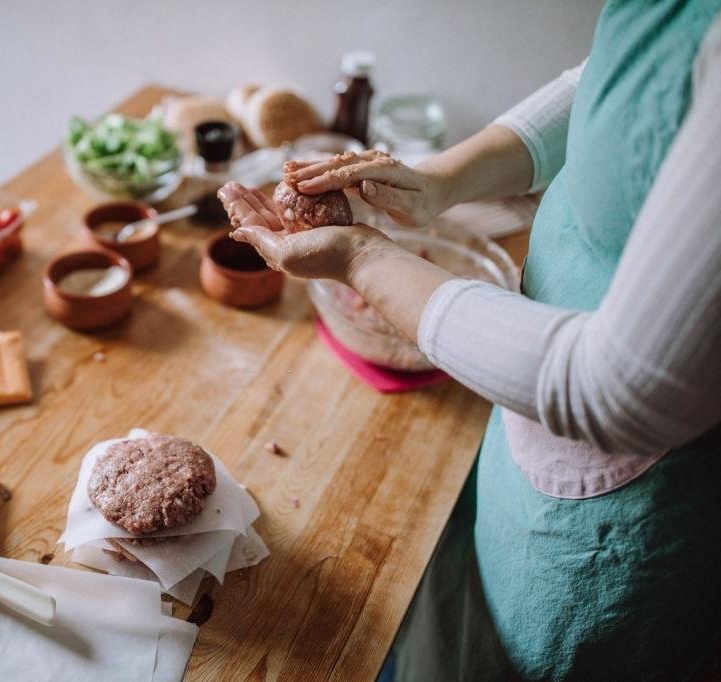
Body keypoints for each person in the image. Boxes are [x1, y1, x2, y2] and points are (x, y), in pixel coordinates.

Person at [219, 2, 721, 679]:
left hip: (636, 493)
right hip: (528, 382)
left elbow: (627, 390)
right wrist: (438, 182)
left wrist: (363, 261)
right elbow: (620, 87)